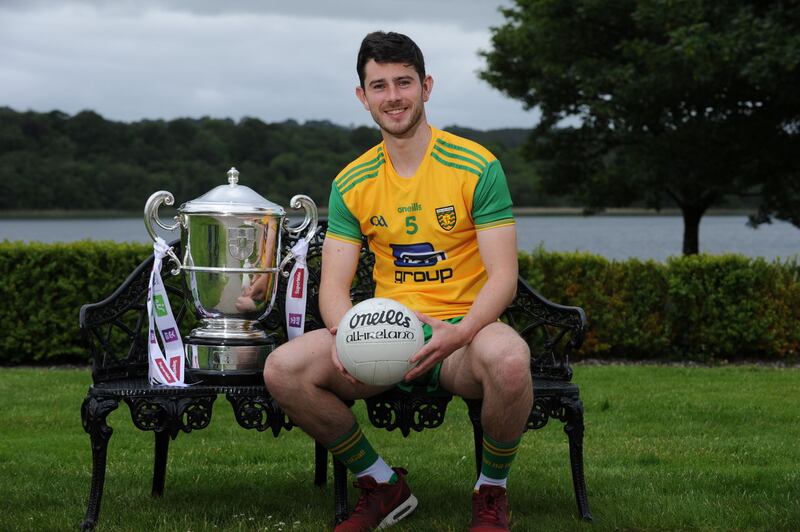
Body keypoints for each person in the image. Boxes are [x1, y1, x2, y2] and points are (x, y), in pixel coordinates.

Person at [264, 31, 532, 532]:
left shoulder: (478, 167)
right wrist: (347, 334)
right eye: (380, 86)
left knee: (511, 359)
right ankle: (383, 485)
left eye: (404, 82)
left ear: (427, 86)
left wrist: (460, 331)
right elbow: (334, 290)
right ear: (362, 97)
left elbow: (504, 279)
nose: (394, 97)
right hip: (387, 336)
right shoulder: (351, 181)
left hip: (462, 338)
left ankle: (491, 491)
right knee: (283, 368)